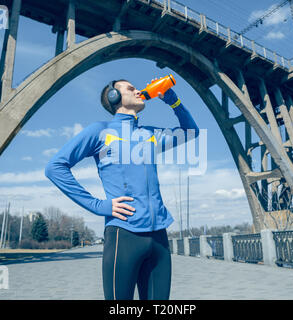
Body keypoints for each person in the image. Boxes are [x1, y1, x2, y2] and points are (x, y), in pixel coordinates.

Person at [45, 78, 199, 300]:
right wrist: (98, 206)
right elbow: (55, 167)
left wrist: (173, 101)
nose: (139, 90)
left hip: (159, 238)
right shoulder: (99, 131)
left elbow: (191, 132)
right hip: (124, 235)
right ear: (114, 97)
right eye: (131, 88)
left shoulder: (149, 134)